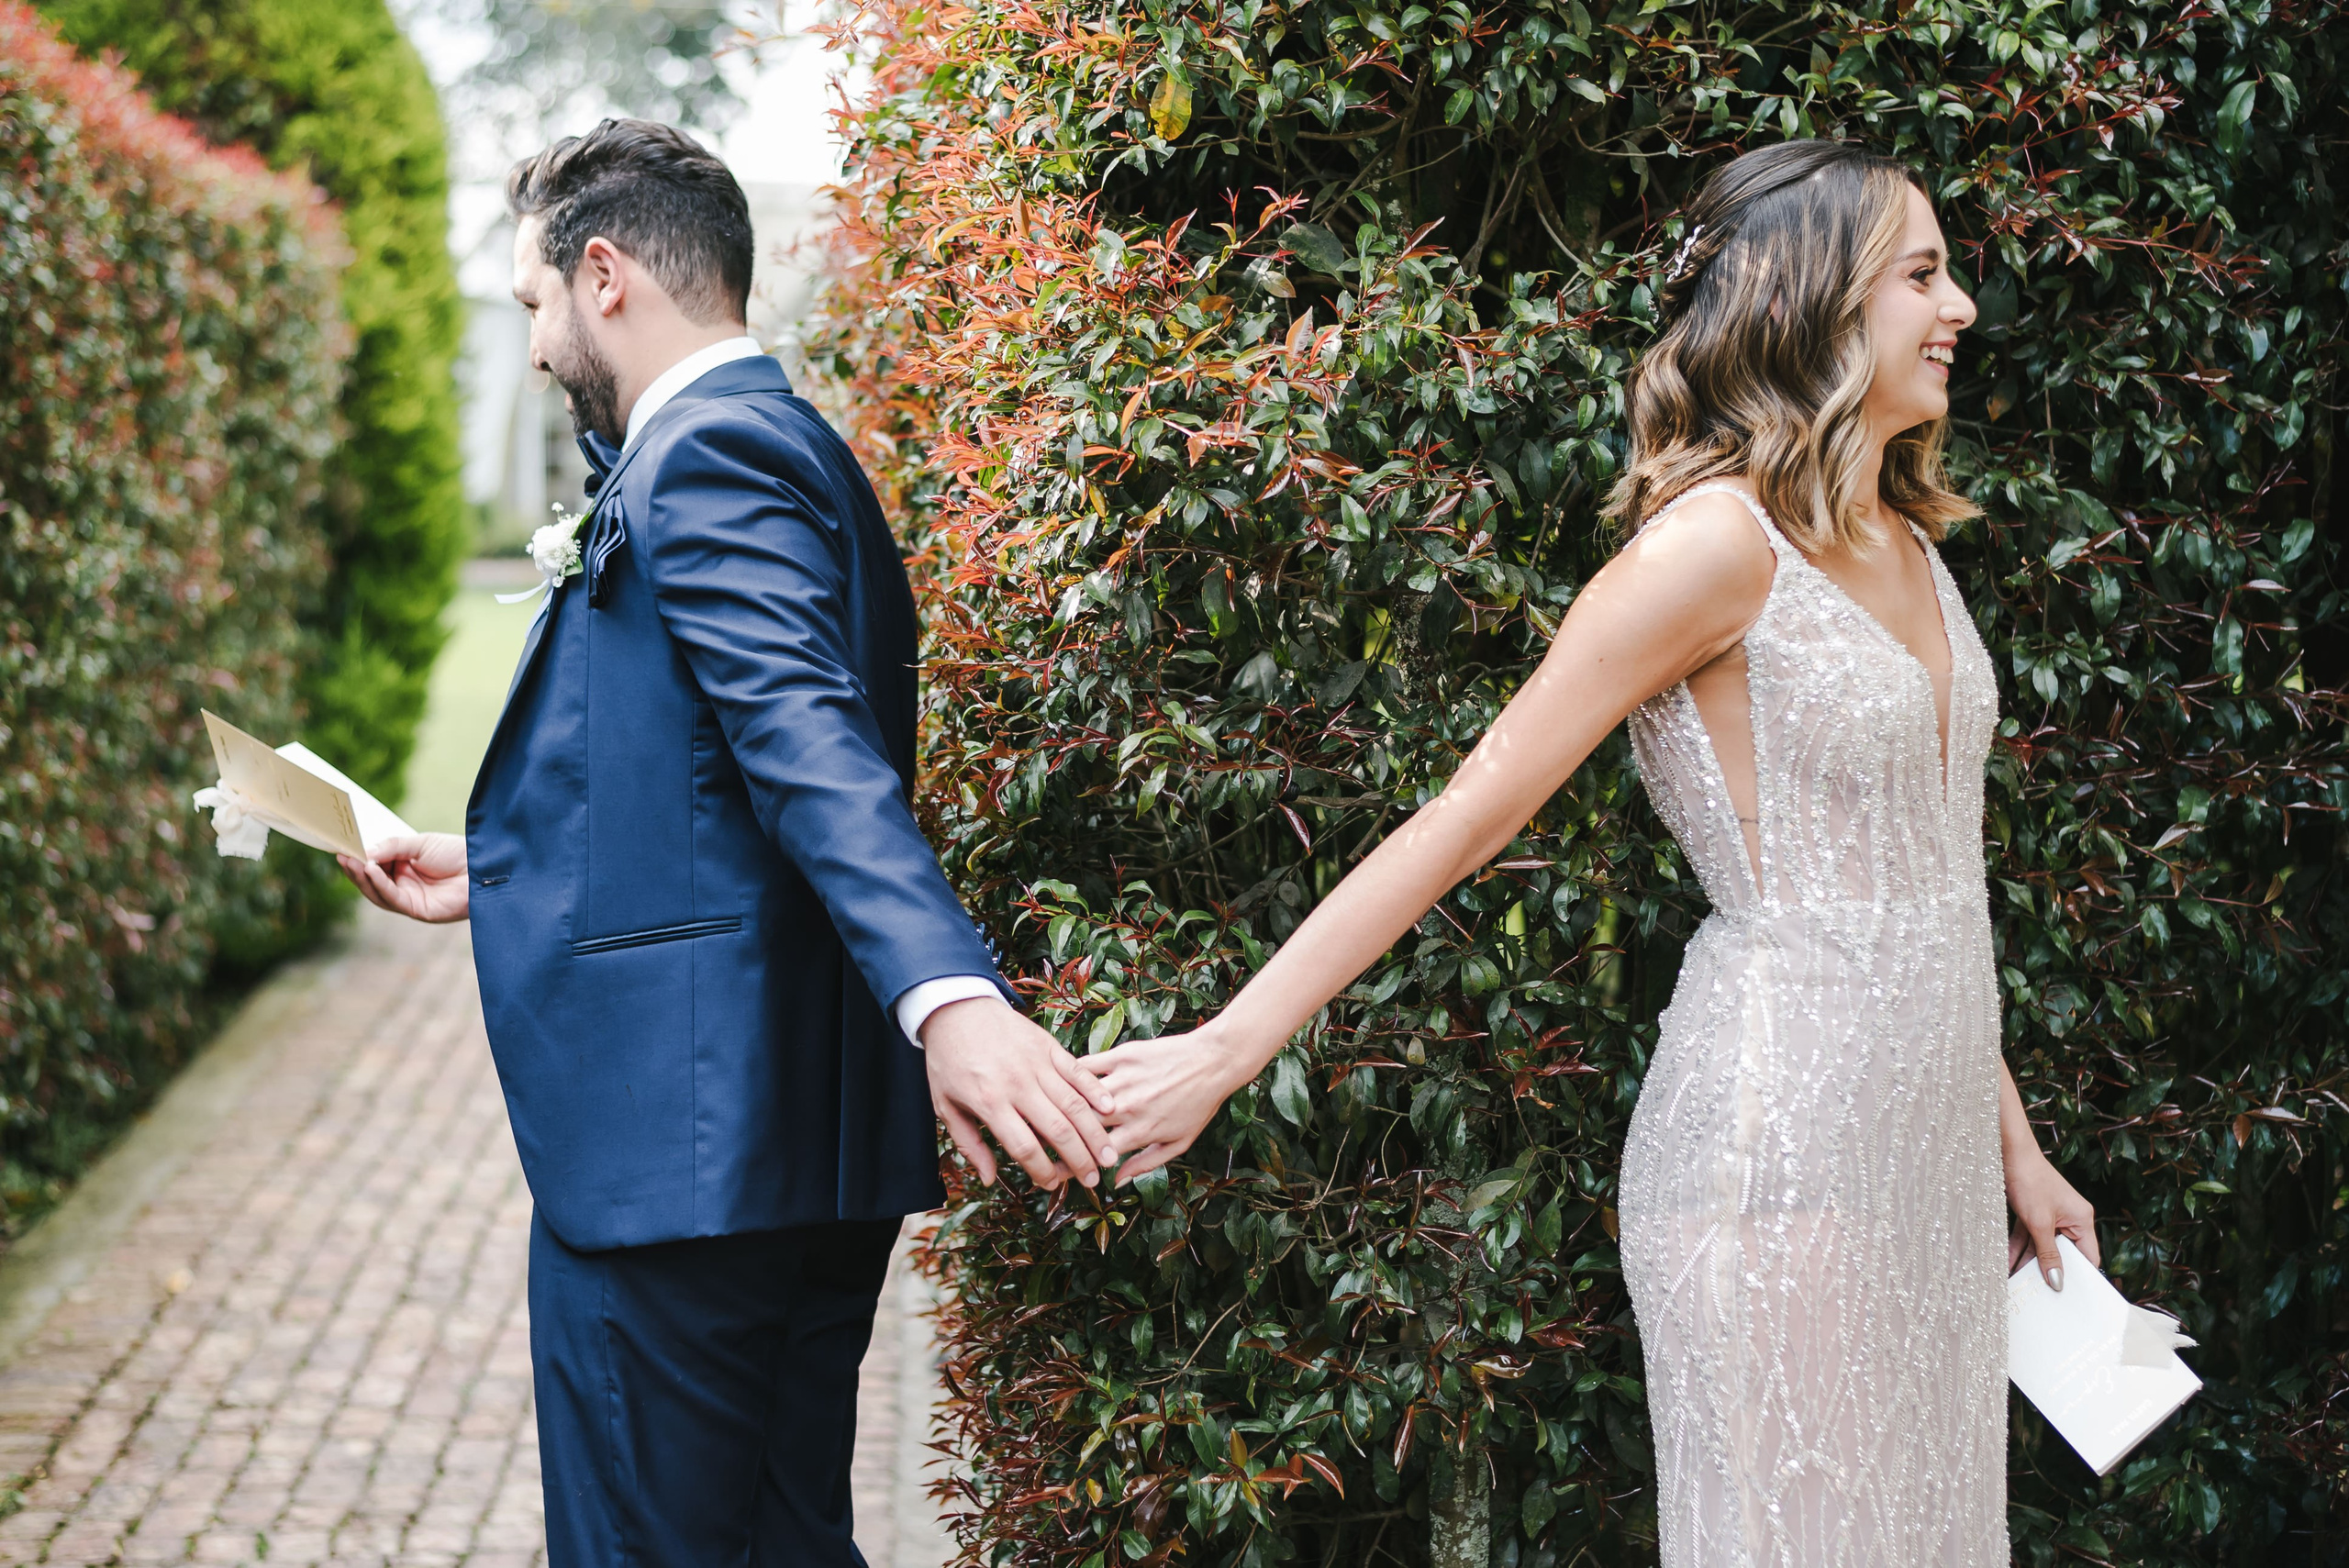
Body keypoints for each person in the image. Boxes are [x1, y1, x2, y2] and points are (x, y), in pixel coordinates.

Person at [1083, 139, 2099, 1564]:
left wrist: (2017, 1148)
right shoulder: (1711, 550)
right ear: (1815, 301)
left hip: (1924, 1162)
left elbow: (1924, 883)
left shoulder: (1911, 540)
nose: (1963, 308)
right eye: (1924, 275)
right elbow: (1468, 812)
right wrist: (1223, 1047)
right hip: (1779, 1154)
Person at [339, 119, 1116, 1567]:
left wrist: (949, 998)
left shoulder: (703, 459)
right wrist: (488, 853)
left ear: (607, 273)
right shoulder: (788, 440)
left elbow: (813, 755)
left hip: (681, 1161)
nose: (531, 347)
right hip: (773, 1148)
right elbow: (715, 771)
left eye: (531, 304)